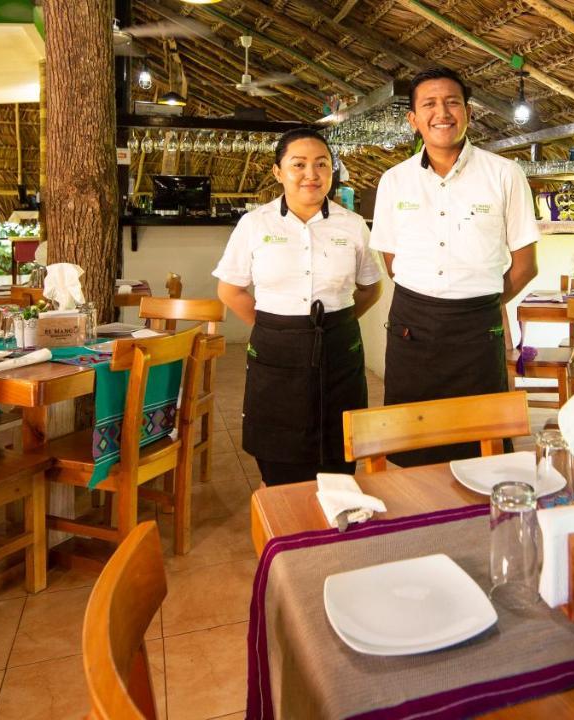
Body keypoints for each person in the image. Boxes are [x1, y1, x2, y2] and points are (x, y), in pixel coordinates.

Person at [371, 67, 539, 466]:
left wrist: (478, 300)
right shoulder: (394, 181)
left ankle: (481, 524)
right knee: (411, 440)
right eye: (428, 104)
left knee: (483, 444)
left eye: (452, 102)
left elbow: (526, 264)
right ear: (413, 119)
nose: (441, 112)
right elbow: (391, 259)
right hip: (413, 323)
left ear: (468, 113)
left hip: (477, 328)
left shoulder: (505, 174)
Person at [214, 128, 381, 485]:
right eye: (299, 164)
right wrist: (270, 326)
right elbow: (230, 290)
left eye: (322, 164)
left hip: (339, 350)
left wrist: (340, 323)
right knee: (279, 458)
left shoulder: (351, 225)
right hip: (276, 349)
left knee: (339, 453)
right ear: (278, 172)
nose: (312, 174)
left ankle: (335, 530)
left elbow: (370, 288)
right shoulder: (255, 225)